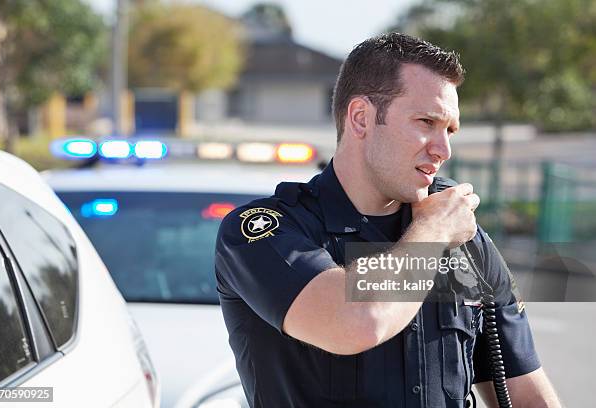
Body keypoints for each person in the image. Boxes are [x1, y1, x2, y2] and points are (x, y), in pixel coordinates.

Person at [215, 33, 560, 407]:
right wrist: (434, 230)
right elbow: (358, 322)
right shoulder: (266, 231)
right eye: (426, 121)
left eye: (450, 130)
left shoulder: (466, 241)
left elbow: (528, 395)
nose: (443, 150)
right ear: (361, 118)